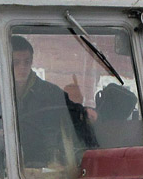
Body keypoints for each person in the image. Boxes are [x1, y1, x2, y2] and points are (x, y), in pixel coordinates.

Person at [10, 35, 98, 171]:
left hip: (43, 164)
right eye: (16, 63)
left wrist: (86, 113)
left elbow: (73, 113)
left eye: (27, 62)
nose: (22, 68)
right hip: (3, 165)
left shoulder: (50, 93)